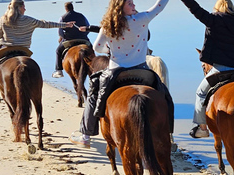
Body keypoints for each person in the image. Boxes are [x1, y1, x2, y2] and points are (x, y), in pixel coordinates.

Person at [68, 0, 170, 147]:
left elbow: (97, 47)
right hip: (142, 70)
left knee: (93, 94)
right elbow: (159, 6)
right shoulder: (142, 19)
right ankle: (167, 131)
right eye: (130, 3)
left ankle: (85, 135)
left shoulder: (108, 26)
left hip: (116, 71)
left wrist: (110, 51)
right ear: (120, 8)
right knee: (164, 95)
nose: (134, 5)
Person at [179, 0, 234, 138]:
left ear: (217, 8)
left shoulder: (213, 20)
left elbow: (194, 8)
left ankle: (202, 128)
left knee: (200, 93)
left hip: (220, 69)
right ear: (232, 8)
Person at [0, 0, 74, 100]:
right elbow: (46, 24)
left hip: (6, 49)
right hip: (23, 50)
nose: (25, 9)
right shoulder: (29, 20)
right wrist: (65, 25)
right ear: (19, 8)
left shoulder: (3, 19)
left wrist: (2, 41)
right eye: (24, 7)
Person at [52, 2, 90, 78]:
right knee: (91, 49)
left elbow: (60, 32)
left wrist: (63, 38)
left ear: (66, 9)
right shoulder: (81, 16)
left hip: (69, 39)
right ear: (73, 7)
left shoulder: (62, 17)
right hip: (83, 39)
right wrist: (84, 35)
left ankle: (59, 70)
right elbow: (88, 27)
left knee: (58, 51)